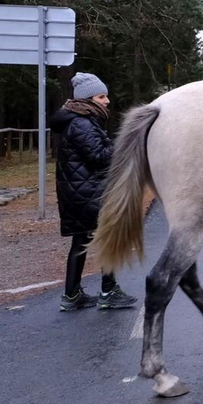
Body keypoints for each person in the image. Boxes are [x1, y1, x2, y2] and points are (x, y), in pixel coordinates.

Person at [49, 72, 136, 311]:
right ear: (88, 100)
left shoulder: (79, 121)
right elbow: (99, 157)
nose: (107, 101)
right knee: (108, 237)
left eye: (106, 96)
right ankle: (108, 292)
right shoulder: (82, 123)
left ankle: (72, 295)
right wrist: (124, 142)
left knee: (81, 240)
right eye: (101, 96)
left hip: (79, 192)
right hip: (88, 193)